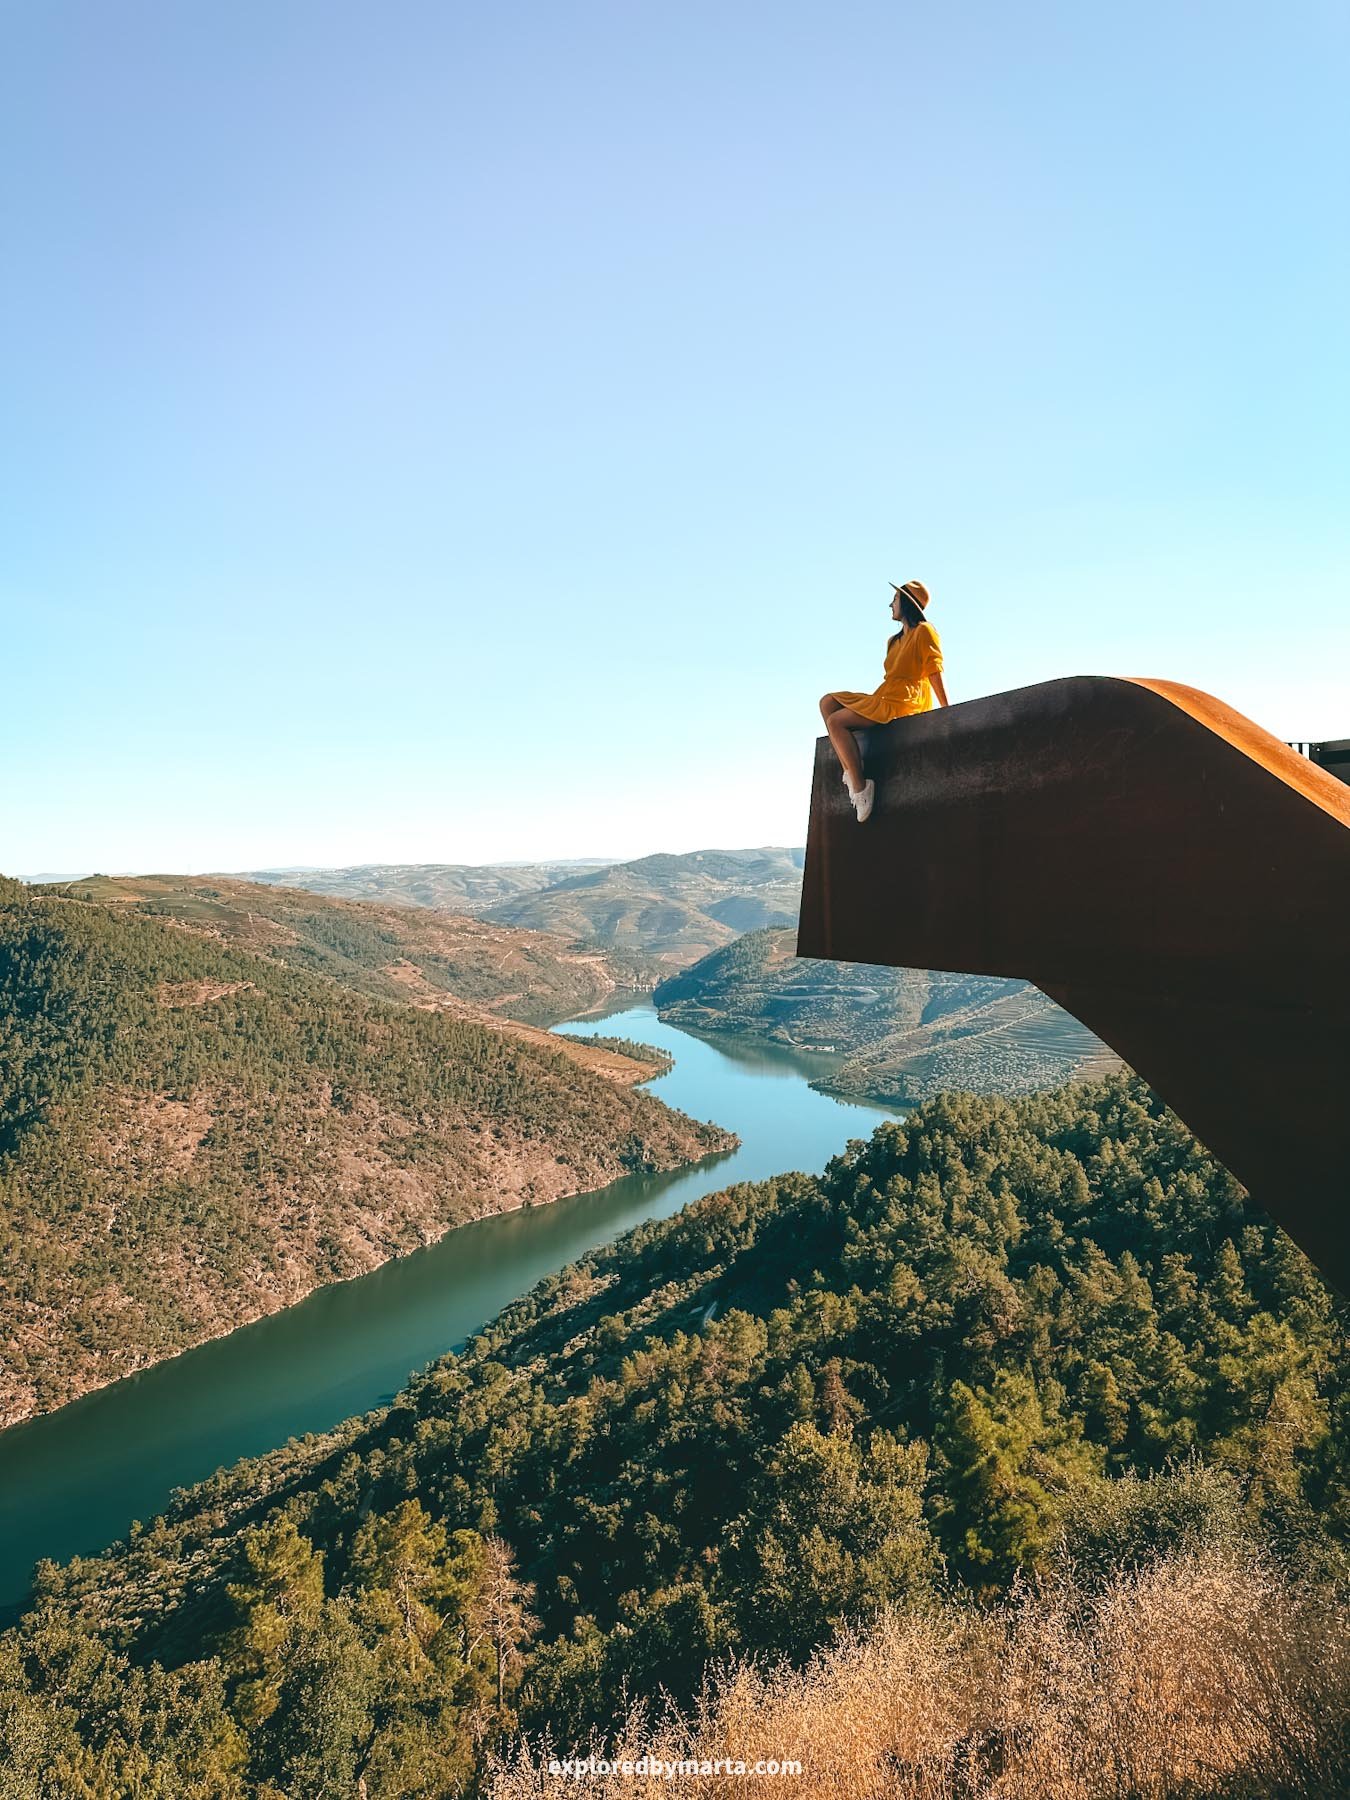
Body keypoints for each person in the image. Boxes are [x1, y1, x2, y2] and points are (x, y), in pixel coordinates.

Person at [819, 580, 949, 822]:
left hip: (905, 699)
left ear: (907, 603)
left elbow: (934, 669)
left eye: (895, 600)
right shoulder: (893, 641)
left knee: (837, 722)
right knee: (828, 702)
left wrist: (947, 710)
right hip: (886, 693)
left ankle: (861, 788)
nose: (891, 604)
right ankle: (850, 769)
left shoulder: (925, 631)